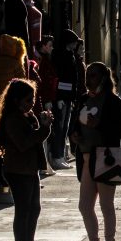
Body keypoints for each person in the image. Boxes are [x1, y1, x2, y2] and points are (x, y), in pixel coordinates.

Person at [68, 62, 121, 241]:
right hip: (85, 158)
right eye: (86, 75)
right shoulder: (83, 99)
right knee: (84, 206)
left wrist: (98, 125)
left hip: (105, 157)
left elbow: (118, 132)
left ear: (103, 77)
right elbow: (73, 123)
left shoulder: (113, 102)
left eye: (92, 75)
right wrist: (73, 135)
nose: (88, 79)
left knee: (106, 205)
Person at [0, 79, 53, 241]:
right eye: (27, 100)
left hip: (29, 169)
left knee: (34, 209)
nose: (31, 102)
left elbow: (36, 137)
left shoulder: (26, 116)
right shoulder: (12, 119)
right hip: (17, 170)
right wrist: (44, 128)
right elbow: (24, 143)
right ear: (16, 100)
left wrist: (42, 124)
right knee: (24, 210)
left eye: (33, 98)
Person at [51, 29, 81, 170]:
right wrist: (59, 97)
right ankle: (57, 156)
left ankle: (60, 156)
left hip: (68, 96)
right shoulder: (60, 55)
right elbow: (60, 77)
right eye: (75, 41)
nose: (76, 44)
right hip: (63, 96)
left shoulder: (70, 55)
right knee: (60, 126)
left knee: (65, 127)